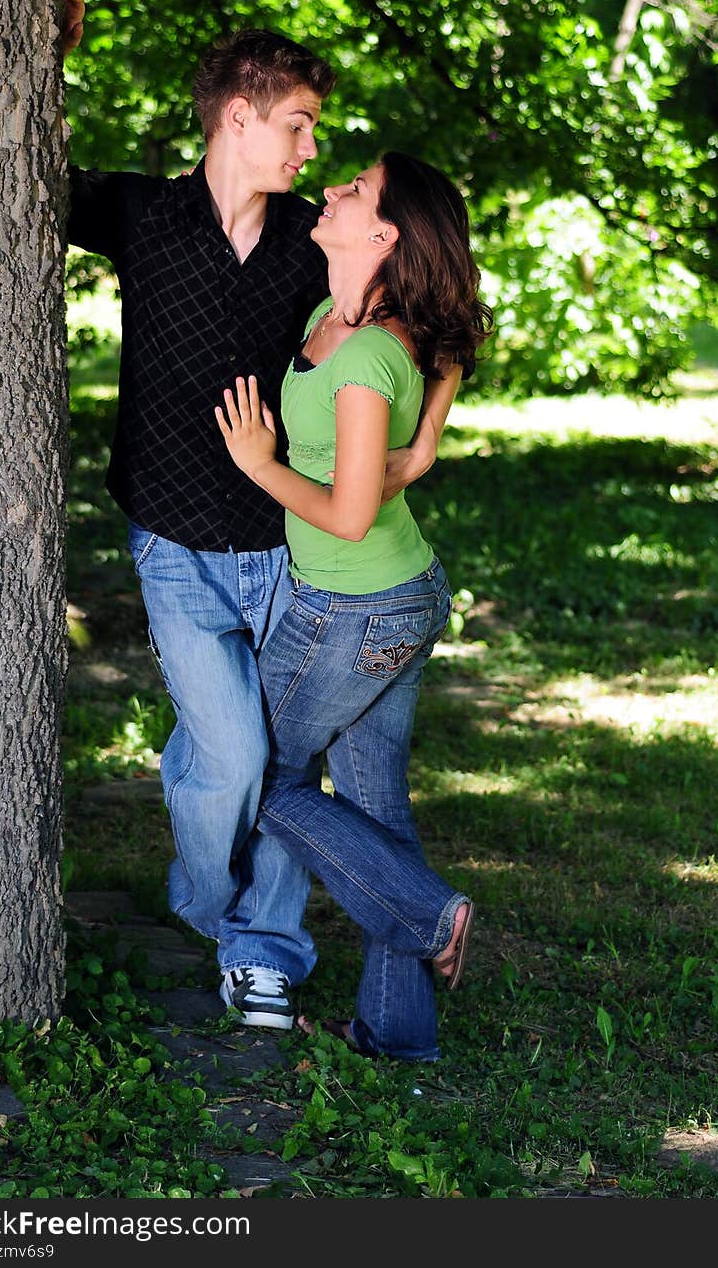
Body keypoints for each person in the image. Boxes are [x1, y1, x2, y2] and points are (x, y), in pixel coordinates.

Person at [60, 0, 462, 1031]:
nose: (310, 145)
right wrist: (44, 54)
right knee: (231, 757)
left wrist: (421, 441)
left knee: (290, 759)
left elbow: (434, 318)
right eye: (298, 122)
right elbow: (29, 171)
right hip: (171, 544)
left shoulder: (310, 245)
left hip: (288, 550)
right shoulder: (143, 219)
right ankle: (208, 904)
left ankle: (266, 955)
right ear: (238, 116)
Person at [216, 151, 491, 1059]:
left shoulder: (370, 354)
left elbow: (348, 511)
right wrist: (428, 444)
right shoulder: (343, 320)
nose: (330, 188)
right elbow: (454, 349)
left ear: (383, 236)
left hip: (355, 607)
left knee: (261, 773)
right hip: (386, 598)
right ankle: (398, 1032)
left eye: (356, 190)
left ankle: (427, 909)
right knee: (374, 809)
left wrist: (262, 467)